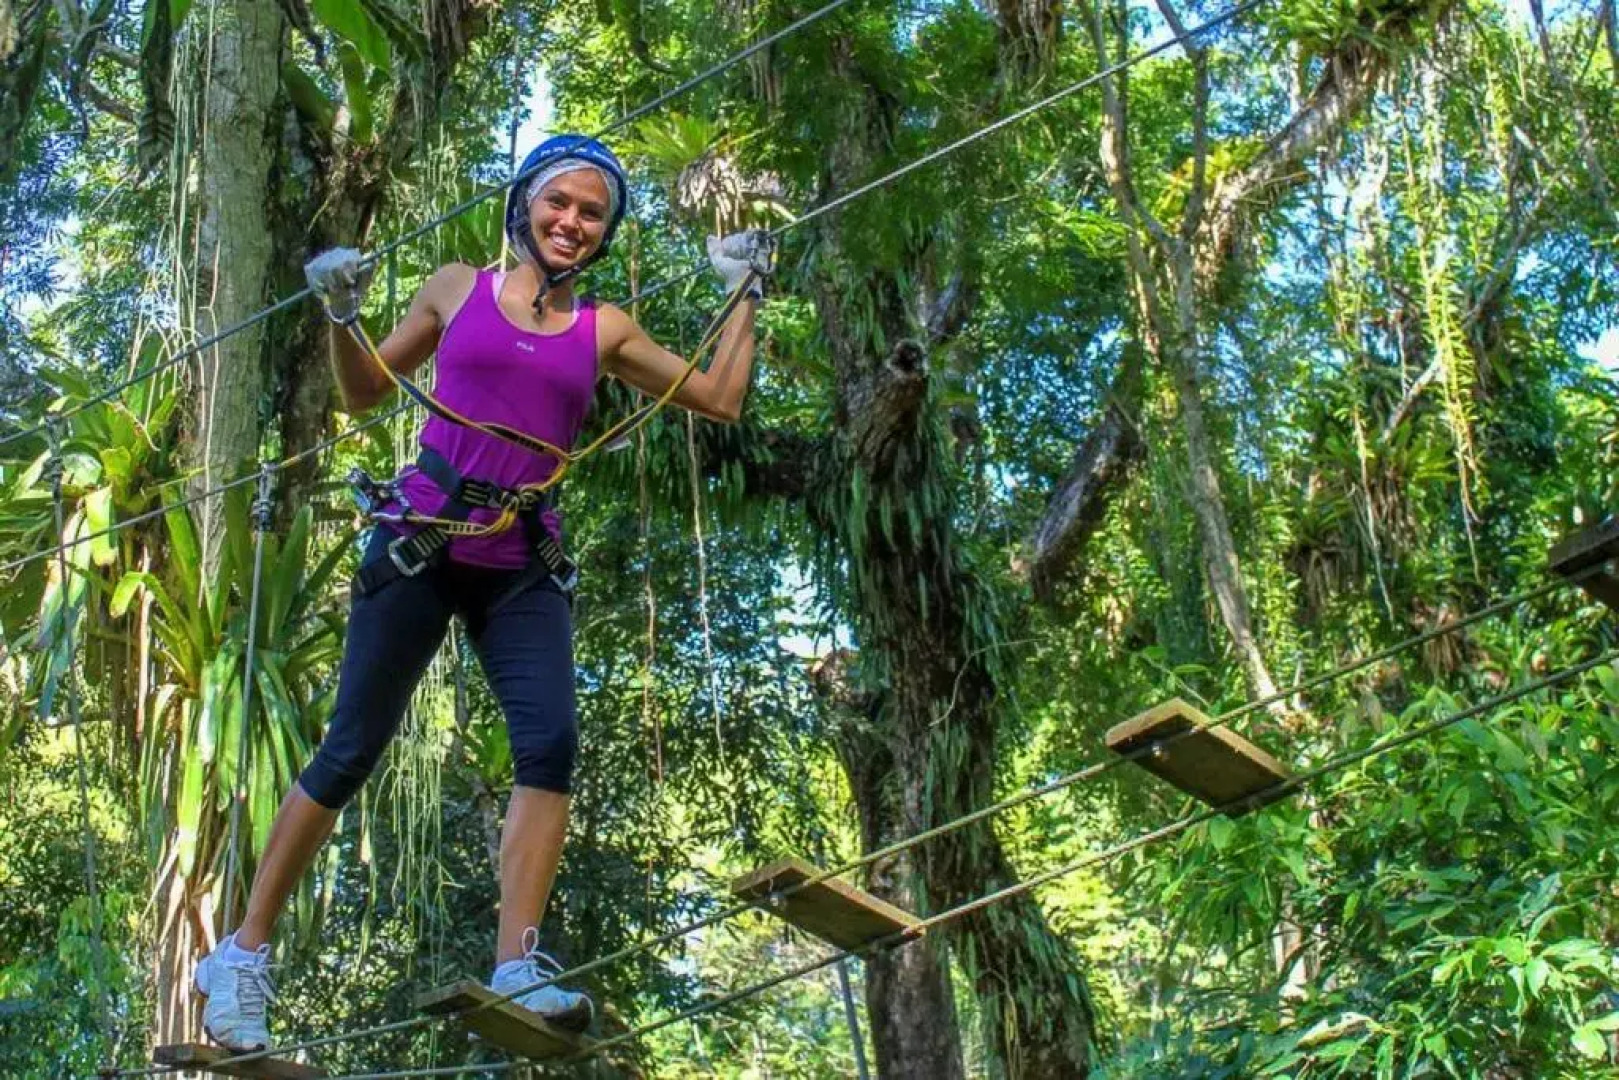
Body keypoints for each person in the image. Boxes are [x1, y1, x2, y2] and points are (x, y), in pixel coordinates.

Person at [192, 134, 773, 1051]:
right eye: (559, 203)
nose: (572, 222)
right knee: (350, 747)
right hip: (421, 542)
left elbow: (720, 397)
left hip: (520, 559)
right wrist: (342, 314)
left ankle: (517, 965)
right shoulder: (455, 287)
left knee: (551, 743)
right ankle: (241, 955)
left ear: (604, 232)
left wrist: (747, 290)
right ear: (524, 206)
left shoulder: (604, 329)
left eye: (591, 213)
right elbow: (362, 393)